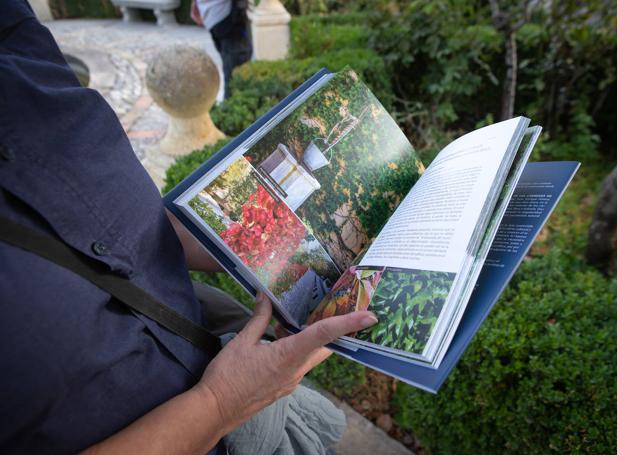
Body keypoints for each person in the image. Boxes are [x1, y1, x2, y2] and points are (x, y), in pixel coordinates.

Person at [0, 1, 377, 453]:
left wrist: (275, 252)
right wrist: (222, 403)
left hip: (209, 346)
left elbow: (122, 230)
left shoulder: (17, 41)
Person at [191, 0, 252, 98]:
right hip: (228, 18)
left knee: (233, 73)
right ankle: (230, 109)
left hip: (214, 15)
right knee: (237, 80)